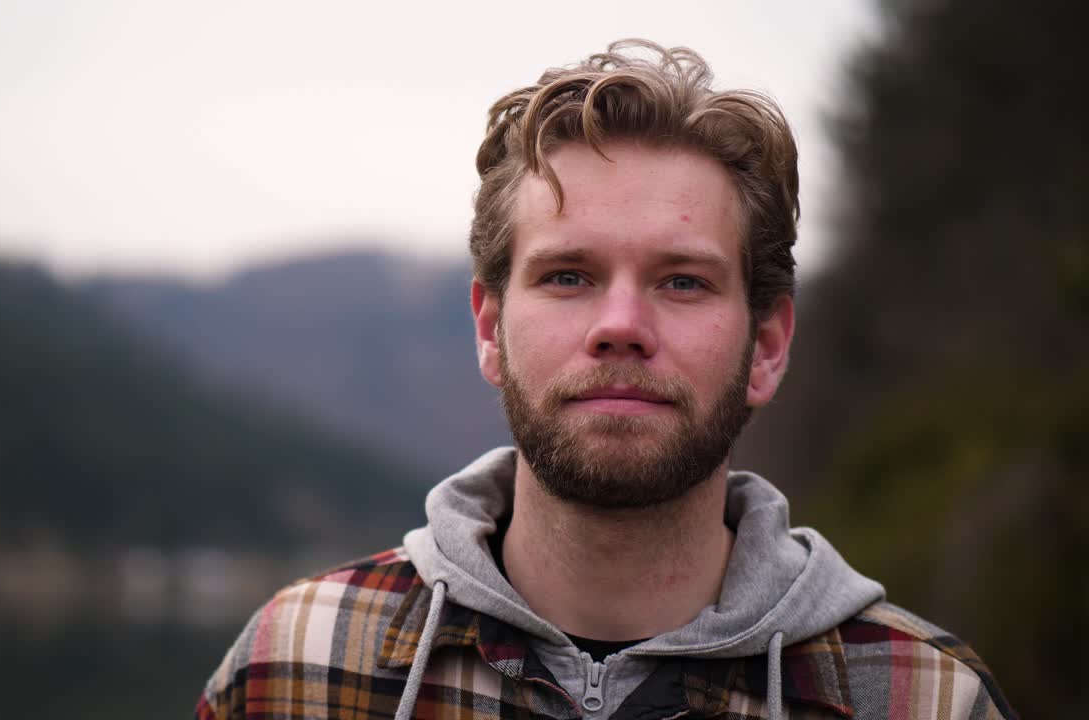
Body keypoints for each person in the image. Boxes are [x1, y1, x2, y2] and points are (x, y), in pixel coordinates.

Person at [195, 40, 1015, 720]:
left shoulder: (923, 700)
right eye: (567, 277)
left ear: (766, 343)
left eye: (683, 281)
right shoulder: (295, 669)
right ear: (489, 329)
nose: (620, 324)